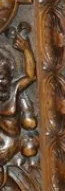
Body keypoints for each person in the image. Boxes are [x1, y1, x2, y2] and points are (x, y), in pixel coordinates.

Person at [0, 22, 38, 169]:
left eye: (2, 77)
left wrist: (27, 50)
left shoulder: (14, 89)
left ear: (9, 77)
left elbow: (31, 76)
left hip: (10, 143)